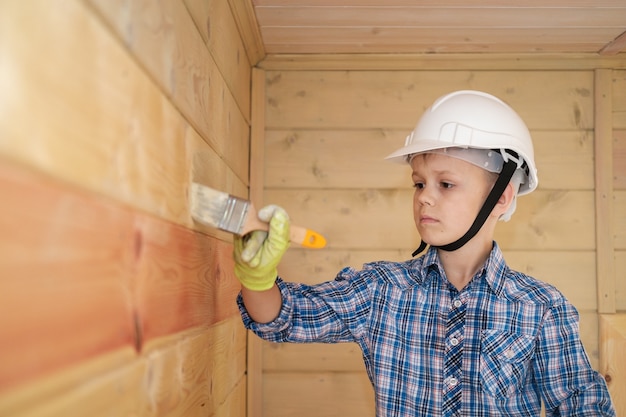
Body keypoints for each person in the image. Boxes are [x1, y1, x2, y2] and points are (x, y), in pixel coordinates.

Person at [233, 90, 616, 416]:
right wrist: (258, 277)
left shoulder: (541, 307)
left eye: (446, 184)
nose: (425, 197)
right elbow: (283, 318)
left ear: (501, 197)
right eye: (419, 184)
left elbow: (582, 403)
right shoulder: (381, 290)